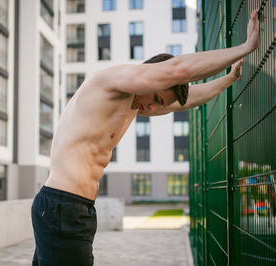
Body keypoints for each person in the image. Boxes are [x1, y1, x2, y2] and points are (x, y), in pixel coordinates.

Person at [31, 8, 260, 266]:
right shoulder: (113, 81)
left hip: (72, 209)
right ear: (153, 76)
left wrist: (228, 79)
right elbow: (178, 71)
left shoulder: (130, 103)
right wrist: (246, 47)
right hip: (63, 207)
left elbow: (189, 99)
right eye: (157, 99)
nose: (153, 109)